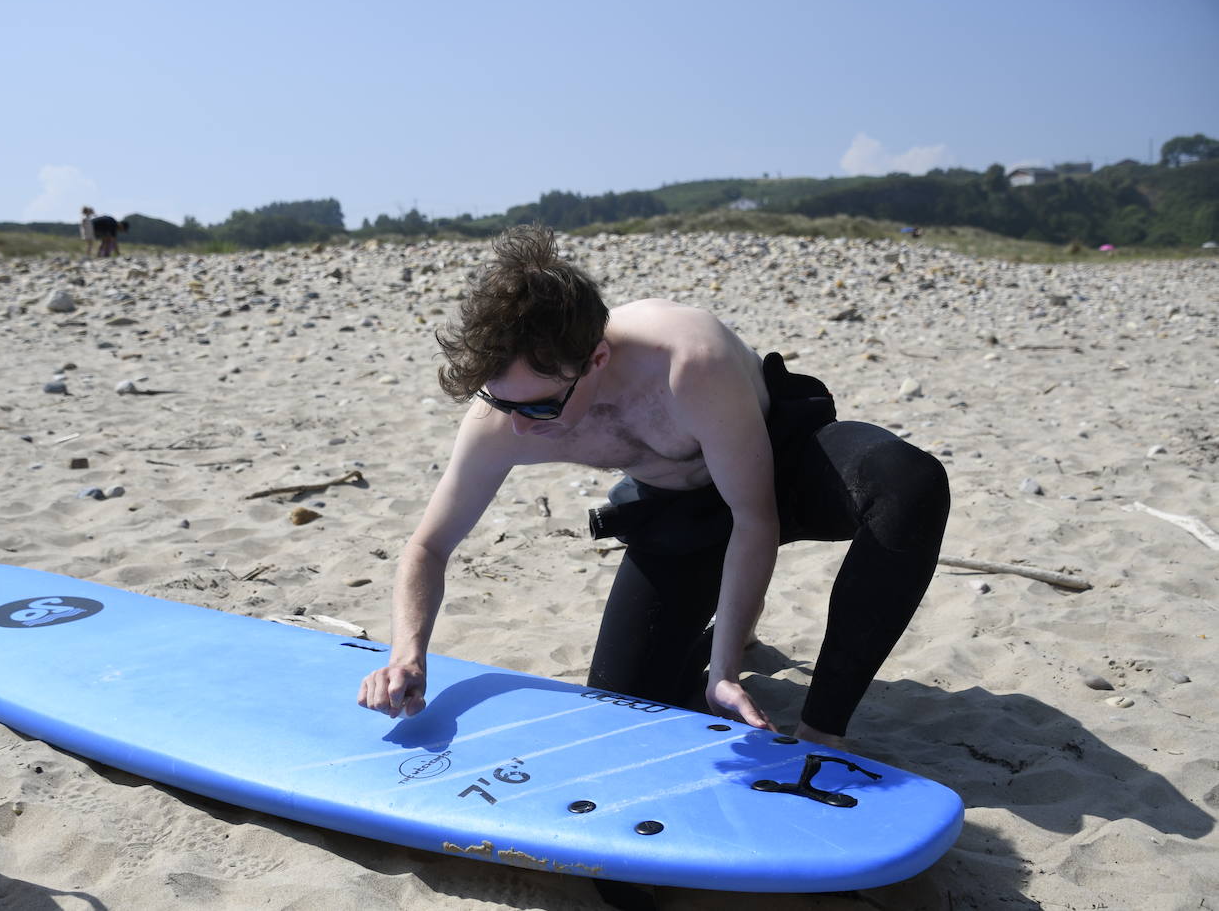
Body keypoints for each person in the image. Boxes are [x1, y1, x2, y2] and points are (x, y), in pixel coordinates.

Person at [357, 225, 950, 747]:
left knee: (908, 484)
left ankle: (823, 726)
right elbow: (427, 546)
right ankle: (724, 637)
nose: (517, 426)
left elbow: (756, 517)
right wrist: (407, 654)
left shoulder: (687, 362)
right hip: (681, 510)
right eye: (500, 402)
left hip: (786, 467)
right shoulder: (504, 418)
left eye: (538, 408)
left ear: (595, 359)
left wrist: (725, 675)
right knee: (626, 702)